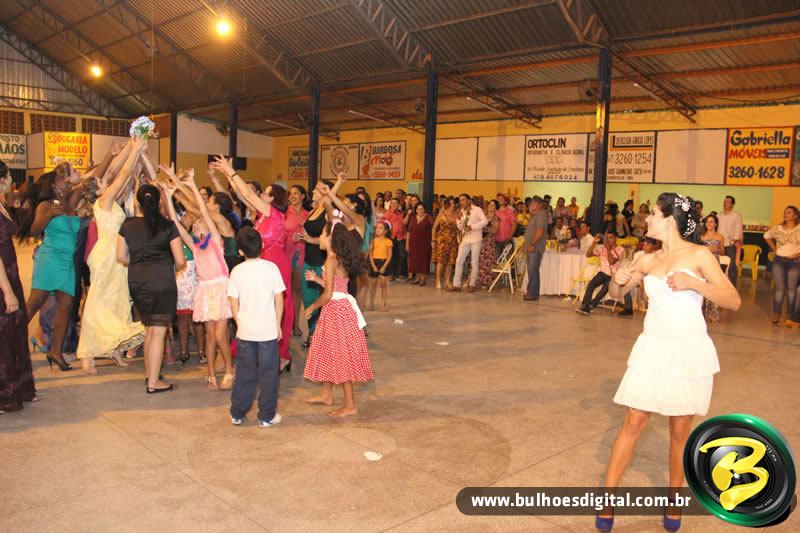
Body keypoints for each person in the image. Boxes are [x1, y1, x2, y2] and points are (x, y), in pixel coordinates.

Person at [596, 193, 740, 532]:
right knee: (633, 421)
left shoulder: (700, 255)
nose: (647, 219)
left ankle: (674, 499)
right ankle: (607, 498)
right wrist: (617, 281)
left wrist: (694, 283)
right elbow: (617, 295)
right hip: (653, 348)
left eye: (653, 215)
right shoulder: (647, 259)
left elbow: (733, 300)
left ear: (671, 220)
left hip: (687, 350)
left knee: (679, 430)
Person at [212, 157, 295, 373]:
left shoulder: (273, 213)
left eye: (265, 193)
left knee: (276, 308)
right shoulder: (263, 214)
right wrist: (228, 175)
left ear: (273, 198)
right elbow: (243, 196)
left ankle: (282, 355)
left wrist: (231, 171)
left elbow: (249, 195)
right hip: (263, 263)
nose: (261, 195)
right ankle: (260, 350)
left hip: (276, 264)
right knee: (257, 307)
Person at [77, 138, 146, 374]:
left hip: (117, 254)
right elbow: (121, 174)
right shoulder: (104, 200)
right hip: (105, 255)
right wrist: (134, 149)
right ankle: (86, 352)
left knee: (117, 300)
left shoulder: (110, 201)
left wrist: (133, 151)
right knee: (97, 301)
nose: (105, 180)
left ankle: (114, 349)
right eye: (101, 181)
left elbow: (124, 176)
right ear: (97, 189)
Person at [162, 169, 233, 391]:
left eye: (199, 224)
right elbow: (175, 222)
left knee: (220, 336)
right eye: (195, 225)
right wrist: (169, 196)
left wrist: (191, 184)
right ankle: (211, 375)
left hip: (220, 287)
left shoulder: (215, 240)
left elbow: (202, 210)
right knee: (210, 337)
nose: (196, 225)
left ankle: (229, 370)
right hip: (204, 289)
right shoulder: (194, 246)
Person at [118, 184, 185, 393]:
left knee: (149, 329)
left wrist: (140, 263)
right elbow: (180, 261)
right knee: (158, 332)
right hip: (161, 280)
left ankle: (151, 374)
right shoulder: (168, 225)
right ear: (159, 202)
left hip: (138, 280)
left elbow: (120, 256)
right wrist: (168, 267)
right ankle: (154, 383)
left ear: (138, 202)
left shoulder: (127, 224)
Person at [17, 164, 83, 372]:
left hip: (67, 262)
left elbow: (94, 177)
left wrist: (113, 153)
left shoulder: (70, 202)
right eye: (61, 178)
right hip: (49, 259)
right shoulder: (45, 205)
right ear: (54, 184)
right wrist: (49, 214)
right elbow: (34, 230)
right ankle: (9, 343)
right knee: (34, 303)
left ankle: (56, 351)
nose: (66, 179)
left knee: (66, 307)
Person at [303, 221, 373, 417]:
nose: (319, 238)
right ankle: (327, 394)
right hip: (338, 309)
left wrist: (311, 307)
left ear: (330, 239)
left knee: (341, 356)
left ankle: (350, 405)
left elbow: (328, 295)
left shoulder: (331, 261)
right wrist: (318, 280)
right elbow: (336, 286)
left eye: (322, 235)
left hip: (337, 311)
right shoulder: (335, 259)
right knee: (327, 350)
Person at [228, 227, 285, 428]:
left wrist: (239, 323)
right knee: (268, 374)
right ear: (262, 245)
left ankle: (237, 413)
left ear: (240, 251)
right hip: (267, 331)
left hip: (245, 331)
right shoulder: (271, 268)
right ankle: (266, 416)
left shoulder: (236, 271)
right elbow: (279, 299)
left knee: (245, 373)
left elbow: (233, 302)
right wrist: (277, 324)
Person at [0, 161, 36, 413]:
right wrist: (7, 291)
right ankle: (5, 394)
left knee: (15, 331)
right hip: (3, 281)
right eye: (10, 176)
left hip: (11, 275)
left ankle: (20, 388)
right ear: (2, 179)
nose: (13, 180)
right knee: (3, 337)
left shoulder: (3, 202)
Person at [298, 182, 330, 348]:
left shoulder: (327, 213)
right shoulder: (313, 210)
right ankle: (313, 332)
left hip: (322, 262)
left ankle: (320, 336)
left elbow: (329, 238)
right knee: (308, 299)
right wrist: (302, 238)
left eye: (317, 189)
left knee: (324, 301)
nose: (312, 190)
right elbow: (308, 234)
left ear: (325, 192)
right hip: (309, 260)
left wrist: (310, 239)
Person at [764, 206, 800, 327]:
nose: (785, 214)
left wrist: (796, 254)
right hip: (779, 260)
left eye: (789, 212)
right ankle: (776, 313)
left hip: (795, 261)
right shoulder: (778, 228)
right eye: (785, 212)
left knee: (791, 290)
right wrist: (775, 249)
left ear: (795, 215)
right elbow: (766, 236)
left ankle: (790, 316)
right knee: (779, 289)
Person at [577, 230, 625, 315]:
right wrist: (594, 242)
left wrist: (607, 248)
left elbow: (611, 261)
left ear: (616, 238)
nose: (608, 240)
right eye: (607, 238)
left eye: (611, 238)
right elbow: (588, 254)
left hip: (613, 275)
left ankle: (591, 306)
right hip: (603, 272)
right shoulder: (602, 247)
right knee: (591, 284)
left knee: (603, 290)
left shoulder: (620, 249)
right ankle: (584, 305)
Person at [448, 194, 488, 293]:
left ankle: (472, 285)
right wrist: (459, 219)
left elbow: (485, 221)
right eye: (460, 200)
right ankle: (456, 285)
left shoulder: (477, 209)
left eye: (463, 200)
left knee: (474, 262)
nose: (461, 202)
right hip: (465, 239)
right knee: (459, 261)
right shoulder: (461, 212)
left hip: (476, 239)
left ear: (469, 201)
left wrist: (472, 226)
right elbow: (460, 228)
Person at [285, 185, 309, 337]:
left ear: (303, 196)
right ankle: (284, 324)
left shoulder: (308, 214)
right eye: (290, 193)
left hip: (301, 254)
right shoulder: (284, 212)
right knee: (284, 290)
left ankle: (295, 324)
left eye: (296, 193)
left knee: (297, 290)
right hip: (286, 254)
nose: (292, 196)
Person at [701, 214, 726, 323]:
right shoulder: (701, 236)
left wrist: (717, 249)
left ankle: (712, 314)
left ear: (715, 224)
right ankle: (700, 313)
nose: (709, 224)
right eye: (707, 221)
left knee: (713, 287)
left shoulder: (720, 236)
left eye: (711, 221)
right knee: (702, 287)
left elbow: (723, 252)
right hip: (703, 262)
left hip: (715, 262)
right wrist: (706, 249)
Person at [523, 196, 548, 301]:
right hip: (531, 247)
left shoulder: (541, 215)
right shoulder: (535, 215)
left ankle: (532, 294)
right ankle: (531, 292)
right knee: (531, 271)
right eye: (530, 204)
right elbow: (531, 232)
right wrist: (525, 244)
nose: (531, 206)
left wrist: (532, 244)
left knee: (533, 271)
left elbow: (540, 231)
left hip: (535, 248)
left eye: (533, 204)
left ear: (540, 205)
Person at [431, 198, 458, 290]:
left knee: (451, 261)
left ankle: (447, 280)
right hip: (442, 240)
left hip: (453, 240)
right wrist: (433, 240)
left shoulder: (457, 214)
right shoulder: (441, 214)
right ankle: (438, 280)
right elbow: (434, 228)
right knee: (441, 261)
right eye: (451, 203)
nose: (453, 205)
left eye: (454, 203)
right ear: (447, 204)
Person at [718, 195, 743, 283]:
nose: (725, 203)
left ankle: (732, 287)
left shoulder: (736, 215)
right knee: (719, 267)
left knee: (732, 267)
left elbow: (738, 230)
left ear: (732, 205)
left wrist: (733, 242)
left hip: (730, 245)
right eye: (725, 201)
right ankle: (720, 286)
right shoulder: (718, 216)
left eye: (728, 201)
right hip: (719, 245)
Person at [368, 221, 393, 311]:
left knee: (383, 285)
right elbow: (370, 254)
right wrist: (373, 266)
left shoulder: (388, 242)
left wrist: (384, 267)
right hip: (374, 263)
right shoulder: (373, 241)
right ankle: (371, 304)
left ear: (386, 231)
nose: (378, 230)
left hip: (384, 263)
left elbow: (389, 256)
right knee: (373, 285)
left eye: (381, 228)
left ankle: (383, 305)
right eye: (377, 228)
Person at [407, 203, 433, 286]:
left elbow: (434, 229)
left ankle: (423, 279)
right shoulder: (412, 218)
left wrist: (433, 240)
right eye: (418, 209)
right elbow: (408, 231)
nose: (420, 210)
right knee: (415, 260)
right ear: (416, 210)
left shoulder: (428, 217)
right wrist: (407, 244)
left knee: (423, 260)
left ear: (424, 209)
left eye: (421, 209)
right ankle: (417, 278)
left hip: (425, 243)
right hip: (413, 242)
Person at [478, 199, 499, 288]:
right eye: (489, 204)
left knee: (487, 261)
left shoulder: (496, 219)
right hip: (479, 240)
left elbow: (495, 231)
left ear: (496, 208)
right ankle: (475, 280)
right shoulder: (482, 216)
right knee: (477, 260)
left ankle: (486, 281)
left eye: (493, 205)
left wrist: (485, 227)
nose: (490, 206)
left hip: (489, 242)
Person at [384, 198, 406, 281]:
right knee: (391, 256)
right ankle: (391, 274)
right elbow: (384, 223)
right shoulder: (388, 213)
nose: (393, 205)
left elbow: (403, 224)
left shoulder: (401, 213)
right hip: (391, 237)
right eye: (392, 203)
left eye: (395, 203)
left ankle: (397, 273)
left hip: (400, 237)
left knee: (402, 255)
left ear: (398, 204)